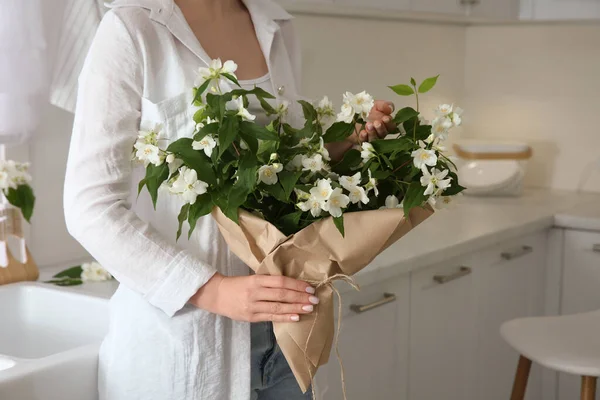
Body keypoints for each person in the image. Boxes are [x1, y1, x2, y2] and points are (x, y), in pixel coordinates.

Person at [63, 0, 396, 399]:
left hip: (288, 341)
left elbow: (281, 165)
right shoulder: (132, 29)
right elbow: (90, 207)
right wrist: (214, 290)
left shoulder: (276, 26)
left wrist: (346, 141)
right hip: (187, 348)